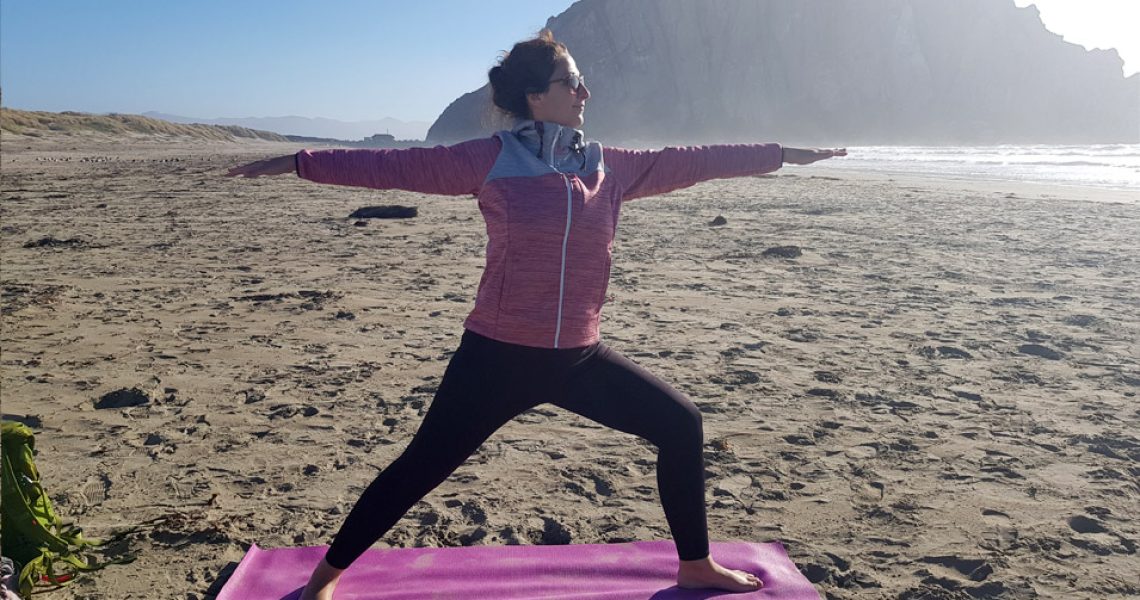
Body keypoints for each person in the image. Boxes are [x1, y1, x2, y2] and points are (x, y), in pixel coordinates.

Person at [229, 30, 845, 599]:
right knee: (420, 468)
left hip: (579, 358)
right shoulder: (491, 159)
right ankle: (323, 580)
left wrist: (782, 153)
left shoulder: (608, 164)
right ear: (535, 96)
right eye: (571, 82)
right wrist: (300, 162)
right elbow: (391, 167)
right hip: (496, 357)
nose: (584, 92)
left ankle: (695, 564)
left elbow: (697, 159)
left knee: (681, 424)